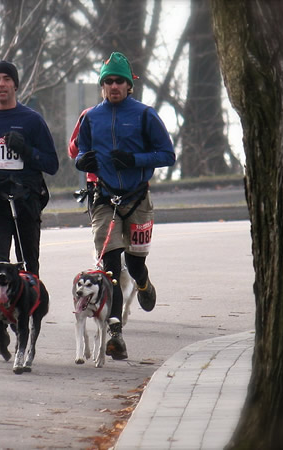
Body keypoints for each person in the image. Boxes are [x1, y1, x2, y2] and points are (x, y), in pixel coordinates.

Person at [74, 52, 175, 360]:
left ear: (129, 85)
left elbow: (167, 155)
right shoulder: (92, 117)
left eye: (119, 81)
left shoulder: (145, 114)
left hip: (137, 199)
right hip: (105, 199)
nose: (114, 86)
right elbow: (81, 151)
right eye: (108, 82)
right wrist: (84, 160)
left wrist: (135, 160)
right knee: (111, 267)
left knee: (134, 265)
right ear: (102, 86)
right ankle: (115, 333)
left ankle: (144, 284)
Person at [0, 60, 58, 352]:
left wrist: (25, 149)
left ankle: (25, 328)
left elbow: (52, 164)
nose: (2, 84)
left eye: (7, 79)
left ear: (15, 85)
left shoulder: (32, 119)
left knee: (29, 265)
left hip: (25, 198)